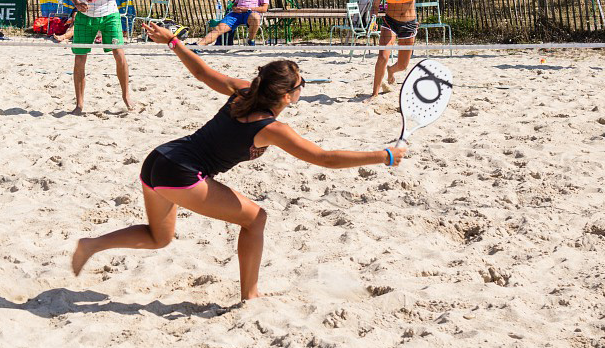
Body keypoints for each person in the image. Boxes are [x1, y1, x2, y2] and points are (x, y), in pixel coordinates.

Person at [72, 21, 407, 301]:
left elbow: (203, 73)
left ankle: (91, 245)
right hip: (182, 173)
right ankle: (251, 295)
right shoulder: (273, 128)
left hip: (158, 159)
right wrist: (384, 155)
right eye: (301, 83)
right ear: (287, 95)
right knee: (255, 219)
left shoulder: (245, 91)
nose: (304, 86)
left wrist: (173, 41)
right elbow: (324, 158)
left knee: (159, 238)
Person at [370, 0, 450, 98]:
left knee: (402, 65)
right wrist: (373, 19)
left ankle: (391, 70)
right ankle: (374, 94)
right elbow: (375, 6)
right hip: (390, 22)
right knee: (382, 57)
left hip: (409, 25)